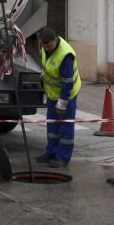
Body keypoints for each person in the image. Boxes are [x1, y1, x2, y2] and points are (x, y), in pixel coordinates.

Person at [36, 27, 81, 168]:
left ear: (55, 40)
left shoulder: (65, 55)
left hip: (67, 95)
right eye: (44, 46)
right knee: (52, 124)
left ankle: (63, 157)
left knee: (65, 126)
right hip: (52, 93)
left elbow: (67, 82)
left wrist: (62, 102)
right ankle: (51, 152)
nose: (47, 49)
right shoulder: (44, 47)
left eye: (49, 46)